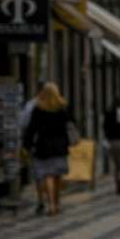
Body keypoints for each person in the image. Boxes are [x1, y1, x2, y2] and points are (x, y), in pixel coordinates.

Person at [23, 83, 72, 216]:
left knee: (47, 175)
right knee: (57, 176)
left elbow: (31, 129)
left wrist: (26, 145)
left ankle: (51, 205)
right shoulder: (62, 108)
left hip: (44, 146)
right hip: (60, 146)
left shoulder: (38, 109)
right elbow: (68, 126)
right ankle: (56, 203)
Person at [19, 81, 47, 214]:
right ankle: (51, 199)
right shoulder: (55, 104)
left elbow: (24, 124)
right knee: (51, 173)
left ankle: (42, 199)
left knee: (39, 174)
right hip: (55, 147)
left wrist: (26, 144)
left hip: (38, 145)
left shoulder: (31, 105)